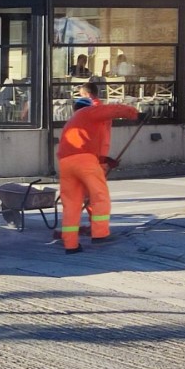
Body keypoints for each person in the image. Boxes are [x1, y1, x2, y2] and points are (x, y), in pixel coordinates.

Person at [57, 97, 138, 254]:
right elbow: (111, 110)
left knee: (71, 205)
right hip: (85, 161)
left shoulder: (73, 122)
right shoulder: (88, 112)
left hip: (65, 163)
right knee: (100, 196)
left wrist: (105, 160)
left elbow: (82, 146)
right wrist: (133, 113)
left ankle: (70, 244)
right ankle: (100, 233)